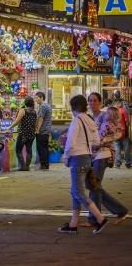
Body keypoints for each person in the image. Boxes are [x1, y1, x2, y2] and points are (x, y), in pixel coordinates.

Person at [59, 95, 108, 235]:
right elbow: (96, 142)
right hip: (87, 158)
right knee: (75, 190)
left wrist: (66, 156)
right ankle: (73, 224)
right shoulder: (90, 120)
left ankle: (100, 218)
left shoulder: (76, 120)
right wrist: (90, 155)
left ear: (73, 107)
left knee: (77, 192)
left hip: (77, 158)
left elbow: (70, 142)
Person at [85, 93, 128, 227]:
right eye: (90, 101)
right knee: (93, 185)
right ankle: (120, 210)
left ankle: (94, 219)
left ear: (100, 102)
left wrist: (103, 142)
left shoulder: (105, 115)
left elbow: (119, 132)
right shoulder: (89, 117)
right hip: (91, 155)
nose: (93, 103)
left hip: (103, 154)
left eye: (95, 101)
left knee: (94, 185)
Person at [6, 96, 37, 171]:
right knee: (29, 150)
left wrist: (9, 128)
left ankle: (23, 166)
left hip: (23, 134)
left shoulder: (23, 110)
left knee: (18, 150)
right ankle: (27, 166)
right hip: (31, 134)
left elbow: (17, 121)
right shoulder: (34, 111)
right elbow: (35, 123)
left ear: (25, 103)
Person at [35, 91, 52, 170]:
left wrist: (37, 130)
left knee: (41, 148)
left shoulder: (43, 106)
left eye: (37, 98)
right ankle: (46, 164)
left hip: (42, 130)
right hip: (46, 130)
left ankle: (43, 165)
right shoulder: (47, 105)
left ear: (41, 98)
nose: (36, 100)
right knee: (45, 148)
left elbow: (40, 119)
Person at [113, 98, 131, 168]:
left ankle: (117, 164)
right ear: (120, 103)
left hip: (115, 133)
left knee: (117, 149)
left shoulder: (113, 112)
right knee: (126, 149)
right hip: (124, 133)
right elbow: (127, 122)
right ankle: (128, 163)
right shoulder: (123, 111)